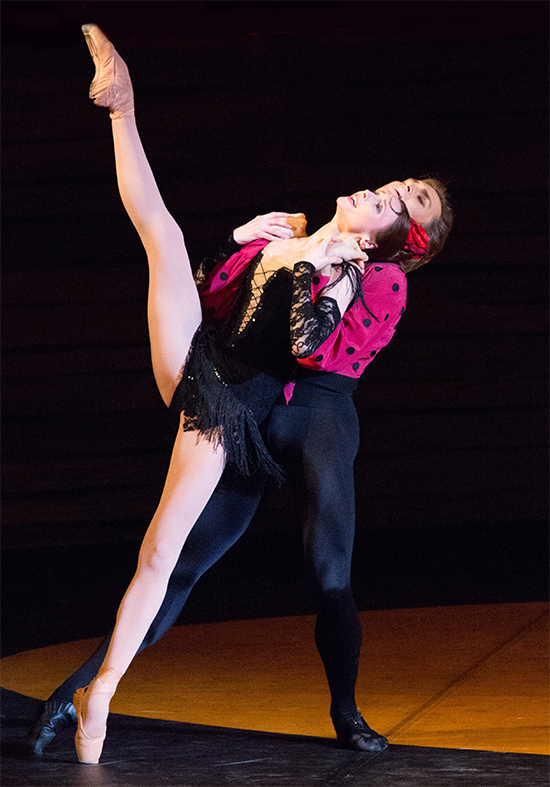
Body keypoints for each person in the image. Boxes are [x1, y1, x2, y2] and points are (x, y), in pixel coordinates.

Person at [26, 24, 437, 764]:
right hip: (214, 368)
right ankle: (122, 105)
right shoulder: (297, 228)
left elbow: (314, 348)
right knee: (165, 236)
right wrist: (247, 238)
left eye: (401, 199)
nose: (385, 187)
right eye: (394, 184)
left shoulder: (372, 273)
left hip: (299, 402)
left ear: (402, 237)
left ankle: (337, 706)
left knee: (311, 562)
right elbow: (220, 296)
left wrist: (321, 269)